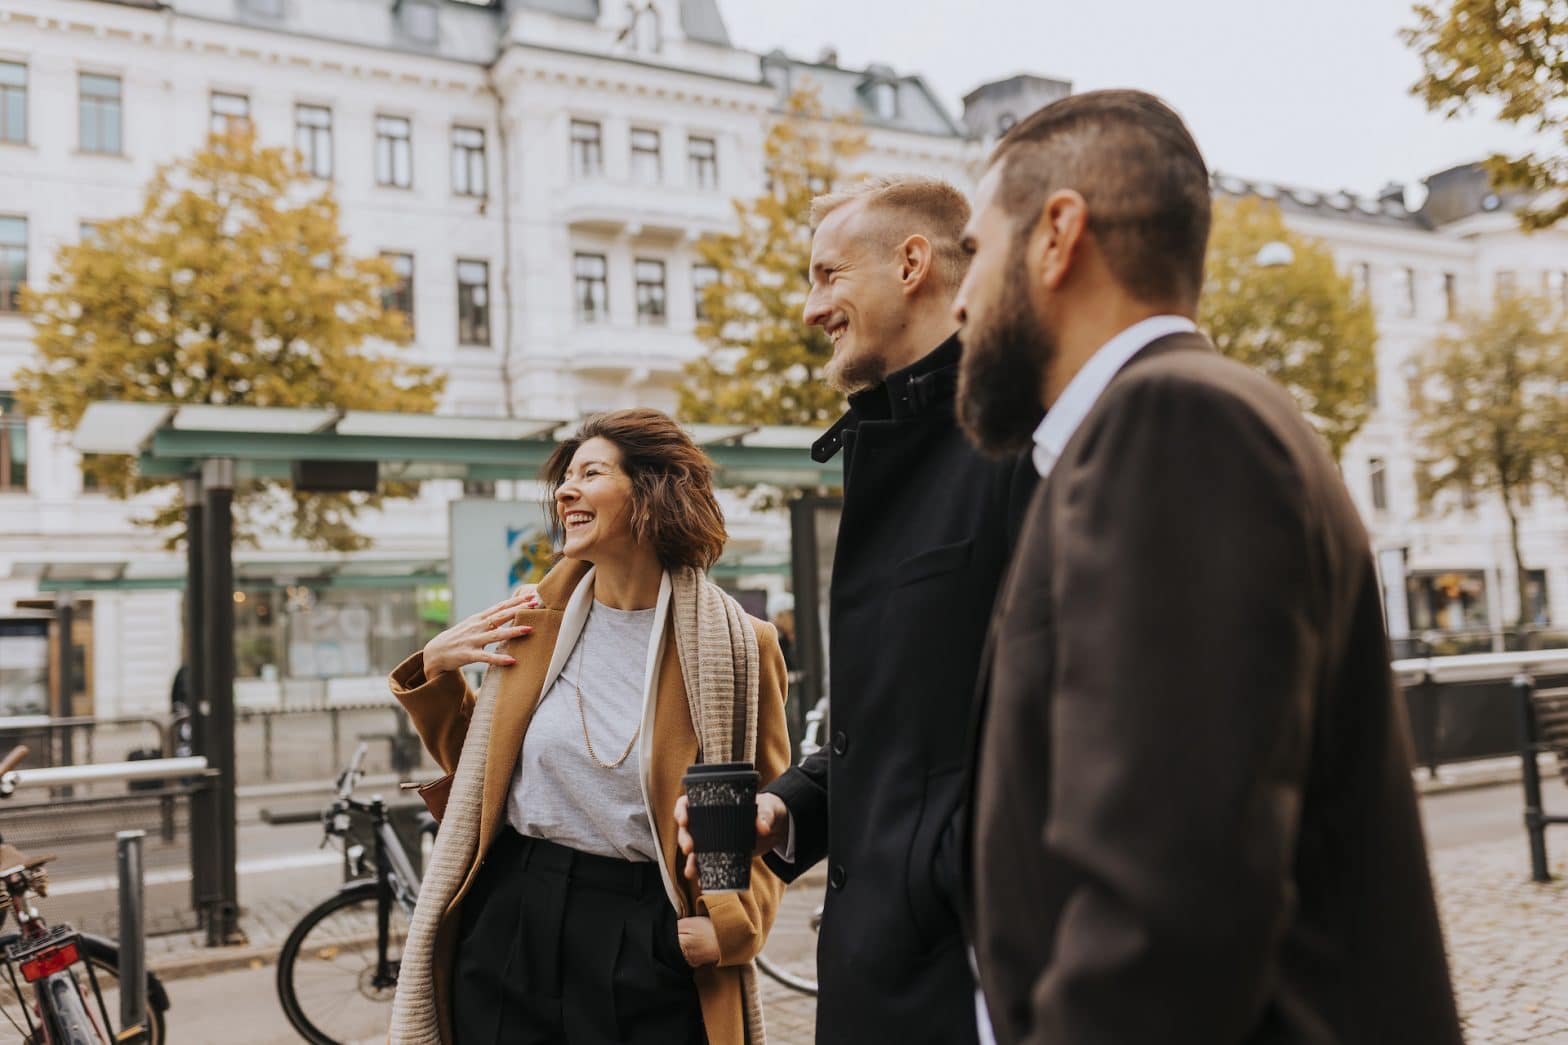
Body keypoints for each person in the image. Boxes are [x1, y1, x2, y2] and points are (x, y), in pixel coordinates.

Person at [952, 90, 1463, 1044]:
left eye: (976, 250)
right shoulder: (1173, 423)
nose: (959, 297)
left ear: (1058, 235)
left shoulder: (1172, 427)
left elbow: (1165, 909)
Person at [680, 175, 1036, 1044]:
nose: (813, 308)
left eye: (828, 274)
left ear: (913, 262)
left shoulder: (1027, 445)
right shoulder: (893, 444)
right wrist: (789, 808)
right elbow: (912, 723)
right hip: (884, 975)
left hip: (971, 981)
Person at [387, 409, 792, 1045]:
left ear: (654, 491)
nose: (565, 491)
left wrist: (736, 928)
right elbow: (485, 775)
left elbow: (766, 805)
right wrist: (436, 677)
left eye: (591, 473)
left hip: (644, 925)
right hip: (512, 913)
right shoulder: (532, 622)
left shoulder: (736, 647)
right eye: (564, 478)